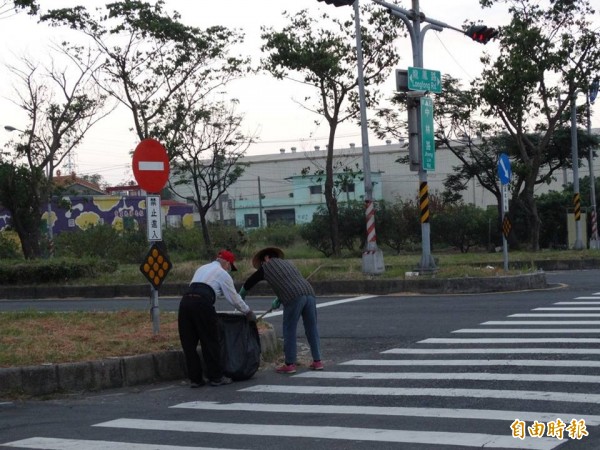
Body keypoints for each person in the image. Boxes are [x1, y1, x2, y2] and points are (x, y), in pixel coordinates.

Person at [178, 249, 256, 388]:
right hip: (202, 303)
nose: (229, 270)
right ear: (226, 262)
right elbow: (234, 299)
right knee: (210, 341)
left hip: (185, 303)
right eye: (230, 267)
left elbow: (194, 286)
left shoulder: (202, 268)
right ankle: (216, 377)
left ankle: (195, 379)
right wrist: (248, 311)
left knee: (189, 344)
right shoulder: (222, 274)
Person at [239, 247, 322, 374]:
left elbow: (250, 282)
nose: (262, 264)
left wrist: (241, 295)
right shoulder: (288, 264)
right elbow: (292, 281)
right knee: (312, 328)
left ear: (266, 258)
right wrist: (279, 299)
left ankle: (290, 363)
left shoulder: (266, 267)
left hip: (293, 297)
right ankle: (317, 361)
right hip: (309, 293)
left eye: (262, 262)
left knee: (289, 329)